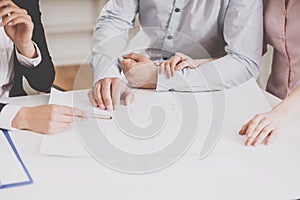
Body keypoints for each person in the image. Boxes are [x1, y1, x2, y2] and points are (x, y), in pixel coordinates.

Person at [88, 0, 263, 111]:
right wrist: (108, 72)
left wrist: (158, 77)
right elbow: (114, 19)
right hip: (139, 80)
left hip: (210, 88)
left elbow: (245, 62)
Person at [0, 0, 86, 134]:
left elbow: (43, 82)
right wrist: (23, 117)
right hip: (13, 116)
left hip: (15, 109)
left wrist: (26, 47)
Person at [239, 0, 300, 146]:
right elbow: (248, 52)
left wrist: (280, 114)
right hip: (270, 103)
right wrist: (202, 63)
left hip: (285, 112)